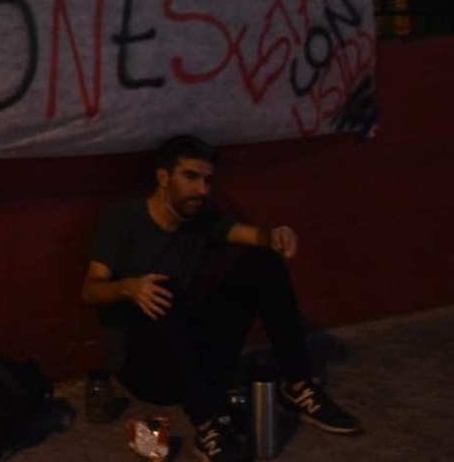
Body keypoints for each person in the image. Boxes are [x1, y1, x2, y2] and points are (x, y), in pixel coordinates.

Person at [80, 134, 361, 461]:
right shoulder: (124, 219)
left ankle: (298, 385)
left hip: (196, 356)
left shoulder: (199, 217)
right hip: (148, 369)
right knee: (163, 291)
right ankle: (208, 426)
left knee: (263, 261)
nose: (202, 189)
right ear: (163, 177)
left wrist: (276, 236)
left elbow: (252, 235)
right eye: (191, 177)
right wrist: (129, 287)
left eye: (208, 180)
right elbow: (90, 290)